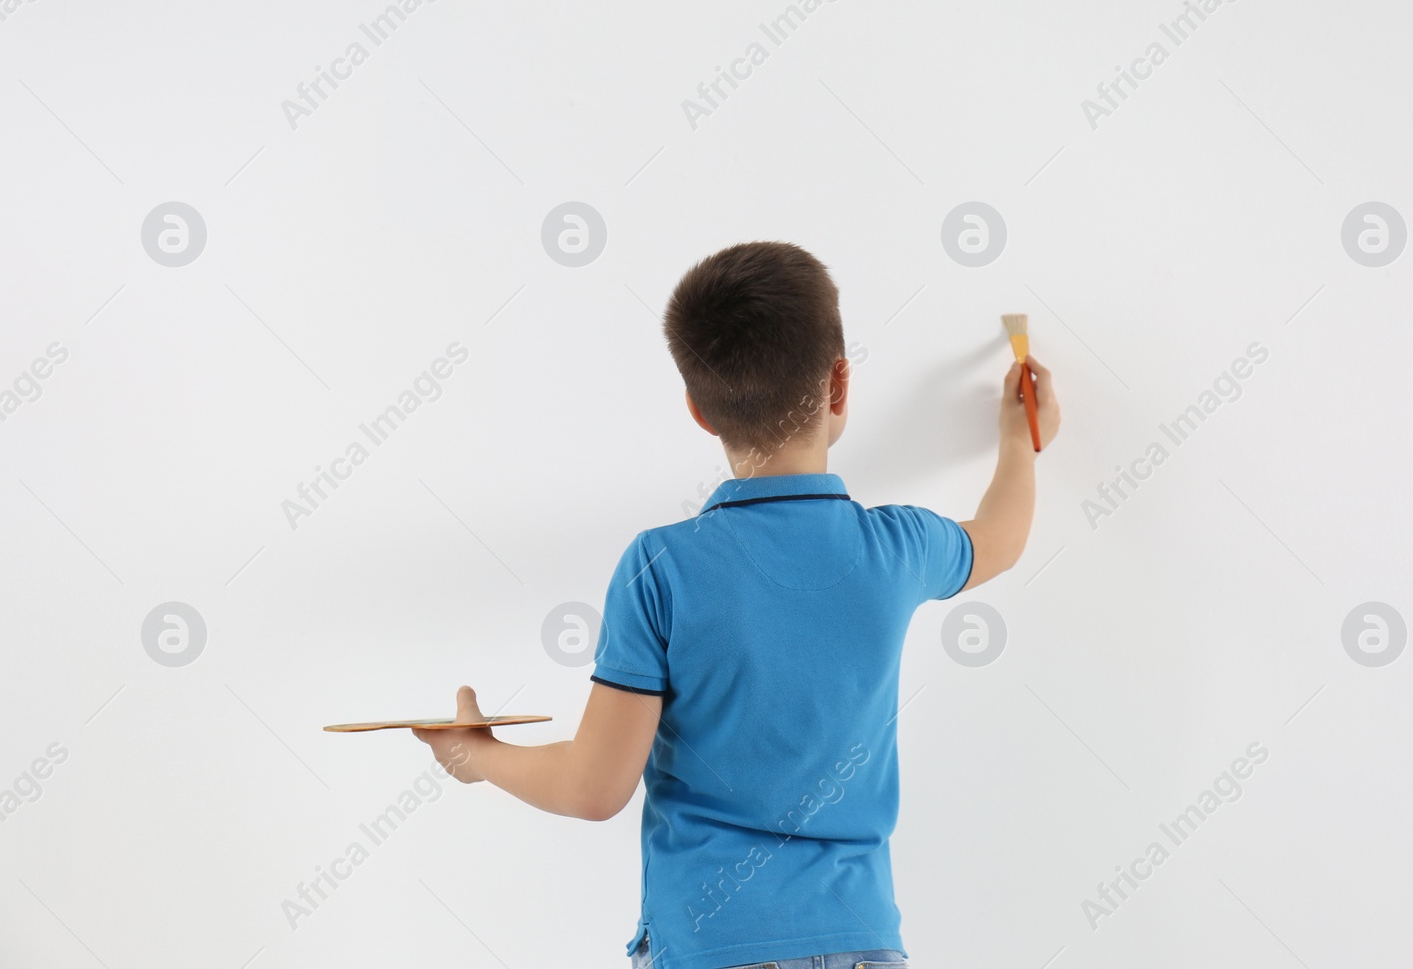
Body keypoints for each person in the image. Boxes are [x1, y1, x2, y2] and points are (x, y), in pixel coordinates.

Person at [414, 241, 1060, 969]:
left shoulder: (661, 568)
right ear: (839, 384)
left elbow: (594, 787)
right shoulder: (896, 548)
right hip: (864, 941)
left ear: (697, 408)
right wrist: (1019, 437)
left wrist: (475, 752)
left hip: (713, 945)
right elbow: (1001, 538)